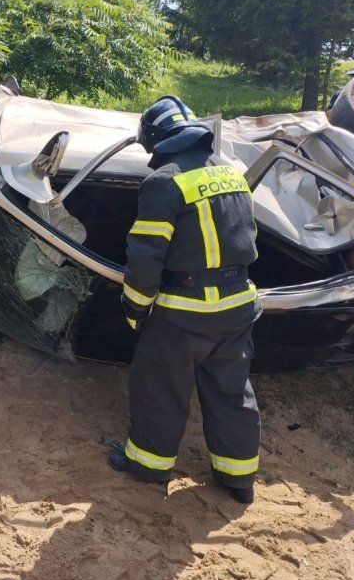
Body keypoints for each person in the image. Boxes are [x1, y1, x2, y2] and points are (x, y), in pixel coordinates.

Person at [107, 96, 262, 505]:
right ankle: (239, 478)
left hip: (187, 311)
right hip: (238, 305)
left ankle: (148, 466)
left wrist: (135, 308)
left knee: (160, 386)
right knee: (231, 391)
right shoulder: (232, 174)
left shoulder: (164, 183)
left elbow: (146, 255)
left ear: (157, 141)